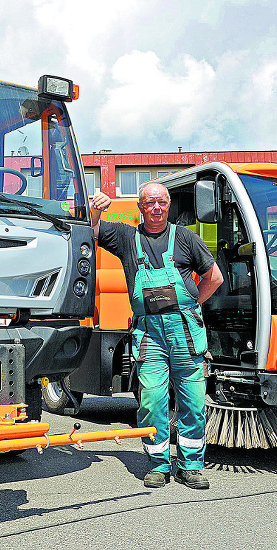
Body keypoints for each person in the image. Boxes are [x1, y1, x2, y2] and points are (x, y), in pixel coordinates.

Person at [91, 183, 223, 489]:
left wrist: (189, 304)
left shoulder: (186, 237)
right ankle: (159, 465)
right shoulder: (126, 237)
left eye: (162, 202)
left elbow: (213, 277)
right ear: (140, 206)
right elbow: (93, 230)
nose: (156, 208)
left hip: (185, 333)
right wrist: (96, 207)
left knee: (192, 403)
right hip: (149, 334)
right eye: (149, 202)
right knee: (151, 401)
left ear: (168, 205)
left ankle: (190, 466)